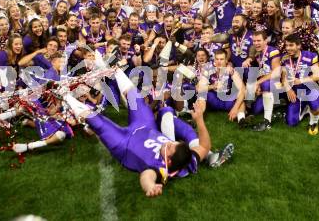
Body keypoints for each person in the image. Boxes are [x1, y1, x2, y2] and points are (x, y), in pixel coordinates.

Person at [64, 69, 211, 197]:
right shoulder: (186, 159)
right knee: (136, 98)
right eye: (173, 142)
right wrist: (199, 120)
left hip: (124, 144)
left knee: (97, 123)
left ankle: (64, 95)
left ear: (169, 161)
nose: (169, 142)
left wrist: (150, 187)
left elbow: (147, 176)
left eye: (170, 146)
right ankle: (114, 70)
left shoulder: (160, 169)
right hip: (146, 127)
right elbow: (204, 147)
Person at [280, 34, 319, 134]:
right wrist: (288, 89)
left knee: (315, 107)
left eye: (291, 45)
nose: (288, 48)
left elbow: (318, 75)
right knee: (291, 122)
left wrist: (301, 80)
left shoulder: (311, 56)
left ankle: (314, 121)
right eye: (286, 45)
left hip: (310, 89)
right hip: (296, 92)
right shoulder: (285, 58)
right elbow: (284, 77)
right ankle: (305, 108)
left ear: (298, 46)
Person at [242, 31, 281, 131]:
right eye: (254, 41)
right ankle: (278, 104)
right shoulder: (258, 52)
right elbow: (262, 71)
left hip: (278, 83)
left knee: (266, 84)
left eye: (259, 40)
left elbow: (276, 73)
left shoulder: (273, 51)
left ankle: (267, 122)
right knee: (255, 110)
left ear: (265, 41)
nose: (256, 43)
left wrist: (258, 83)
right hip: (265, 82)